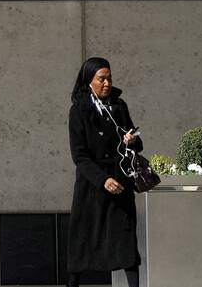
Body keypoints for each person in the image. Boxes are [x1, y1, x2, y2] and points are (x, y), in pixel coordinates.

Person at [67, 57, 143, 287]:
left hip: (120, 182)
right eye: (101, 79)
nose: (107, 83)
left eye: (109, 78)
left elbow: (137, 144)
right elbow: (79, 156)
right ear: (89, 80)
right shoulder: (79, 110)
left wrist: (131, 140)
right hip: (92, 185)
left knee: (126, 240)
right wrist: (103, 180)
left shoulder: (119, 106)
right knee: (83, 240)